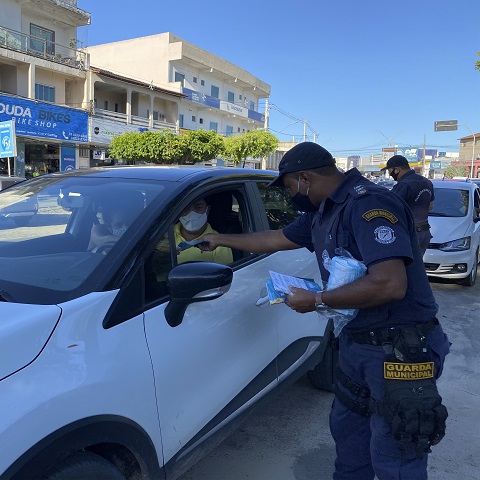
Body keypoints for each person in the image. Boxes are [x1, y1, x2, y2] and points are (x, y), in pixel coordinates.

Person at [200, 142, 450, 480]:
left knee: (396, 456)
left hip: (400, 351)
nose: (291, 196)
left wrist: (318, 300)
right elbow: (275, 238)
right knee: (350, 445)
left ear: (304, 177)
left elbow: (391, 284)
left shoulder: (368, 204)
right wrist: (220, 239)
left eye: (290, 187)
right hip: (356, 342)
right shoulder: (324, 210)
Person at [380, 155, 435, 255]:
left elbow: (391, 209)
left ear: (397, 170)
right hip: (424, 232)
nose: (390, 174)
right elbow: (430, 206)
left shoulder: (404, 185)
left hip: (409, 233)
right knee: (417, 267)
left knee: (404, 268)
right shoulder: (426, 182)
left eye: (390, 170)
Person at [174, 197, 233, 265]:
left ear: (207, 209)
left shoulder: (219, 244)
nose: (191, 213)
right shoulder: (165, 235)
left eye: (198, 207)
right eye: (186, 208)